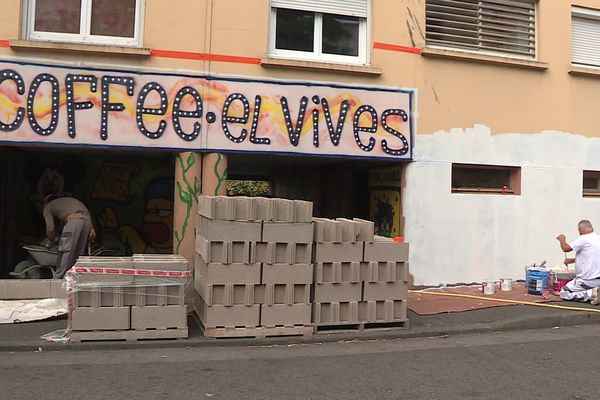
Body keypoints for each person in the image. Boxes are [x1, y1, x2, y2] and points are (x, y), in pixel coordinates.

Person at [42, 194, 94, 279]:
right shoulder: (65, 202)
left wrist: (50, 240)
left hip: (74, 221)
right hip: (87, 221)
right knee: (78, 252)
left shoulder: (48, 207)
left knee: (65, 250)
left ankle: (59, 276)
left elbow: (50, 229)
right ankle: (74, 276)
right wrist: (91, 227)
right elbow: (86, 210)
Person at [556, 220, 600, 304]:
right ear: (592, 228)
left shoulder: (584, 238)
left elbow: (566, 248)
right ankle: (594, 292)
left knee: (564, 293)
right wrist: (571, 260)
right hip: (598, 280)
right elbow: (590, 257)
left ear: (580, 230)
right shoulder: (598, 238)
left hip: (586, 280)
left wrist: (562, 239)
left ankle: (591, 294)